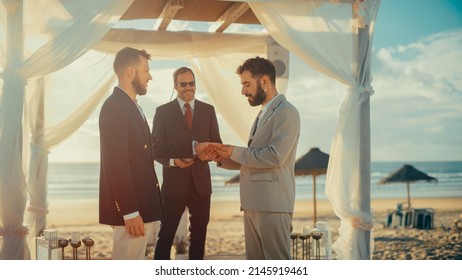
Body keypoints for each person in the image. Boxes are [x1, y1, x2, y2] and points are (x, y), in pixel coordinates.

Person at [99, 48, 209, 259]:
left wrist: (194, 148)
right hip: (132, 212)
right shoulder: (115, 107)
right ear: (131, 71)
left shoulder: (132, 106)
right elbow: (117, 164)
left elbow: (153, 147)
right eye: (146, 70)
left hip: (142, 206)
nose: (150, 76)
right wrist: (130, 212)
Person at [214, 56, 300, 260]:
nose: (243, 90)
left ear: (264, 81)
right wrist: (220, 157)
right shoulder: (263, 114)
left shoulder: (287, 112)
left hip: (272, 205)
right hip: (253, 203)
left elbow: (274, 156)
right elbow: (253, 159)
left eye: (246, 84)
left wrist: (234, 150)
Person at [152, 67, 222, 260]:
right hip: (174, 184)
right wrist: (174, 161)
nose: (188, 88)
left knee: (199, 237)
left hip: (201, 185)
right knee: (165, 236)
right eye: (183, 84)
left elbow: (217, 142)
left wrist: (210, 154)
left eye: (192, 83)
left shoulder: (208, 111)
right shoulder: (163, 112)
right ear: (175, 86)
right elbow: (155, 148)